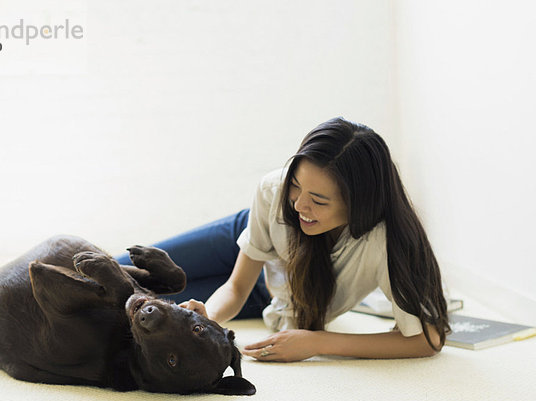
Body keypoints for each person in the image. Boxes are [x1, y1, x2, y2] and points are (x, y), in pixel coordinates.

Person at [116, 117, 450, 361]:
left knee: (132, 310)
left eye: (319, 200)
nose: (300, 205)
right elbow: (236, 286)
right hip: (249, 239)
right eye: (296, 185)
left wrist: (317, 341)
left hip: (276, 297)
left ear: (360, 203)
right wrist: (206, 317)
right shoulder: (275, 193)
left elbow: (427, 338)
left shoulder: (388, 241)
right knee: (117, 272)